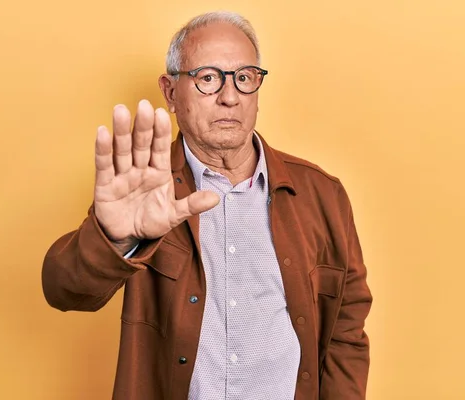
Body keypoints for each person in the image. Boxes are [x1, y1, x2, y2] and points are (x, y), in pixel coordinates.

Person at [42, 11, 372, 400]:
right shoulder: (146, 186)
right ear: (170, 92)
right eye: (208, 78)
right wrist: (116, 239)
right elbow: (63, 290)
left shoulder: (322, 195)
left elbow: (346, 332)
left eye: (245, 77)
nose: (229, 97)